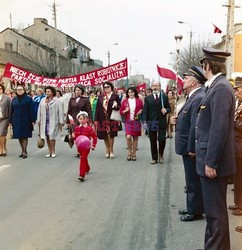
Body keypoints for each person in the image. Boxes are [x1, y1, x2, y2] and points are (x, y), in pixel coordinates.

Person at [196, 47, 236, 249]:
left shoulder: (220, 88)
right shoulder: (217, 86)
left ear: (208, 65)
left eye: (203, 65)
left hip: (213, 163)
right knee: (215, 215)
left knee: (215, 216)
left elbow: (218, 129)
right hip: (210, 160)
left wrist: (211, 162)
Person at [175, 66, 206, 222]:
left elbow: (196, 125)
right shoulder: (193, 96)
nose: (184, 80)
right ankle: (192, 207)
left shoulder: (198, 97)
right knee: (191, 179)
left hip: (190, 147)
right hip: (187, 145)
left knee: (193, 180)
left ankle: (194, 210)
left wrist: (192, 148)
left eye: (186, 78)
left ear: (194, 81)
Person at [143, 81, 170, 164]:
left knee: (162, 139)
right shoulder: (148, 98)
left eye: (156, 86)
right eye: (153, 86)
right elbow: (145, 111)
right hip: (152, 122)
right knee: (153, 140)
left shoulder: (164, 97)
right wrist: (144, 121)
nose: (155, 87)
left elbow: (169, 108)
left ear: (159, 87)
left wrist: (166, 110)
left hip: (161, 121)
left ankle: (161, 154)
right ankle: (154, 158)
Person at [95, 81, 120, 159]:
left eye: (108, 87)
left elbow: (119, 107)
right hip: (103, 118)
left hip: (112, 117)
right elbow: (98, 109)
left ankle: (111, 150)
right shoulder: (101, 97)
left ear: (111, 87)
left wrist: (116, 106)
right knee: (105, 135)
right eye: (105, 87)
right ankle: (107, 150)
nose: (106, 88)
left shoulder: (115, 96)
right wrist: (96, 119)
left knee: (111, 134)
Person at [37, 86, 64, 158]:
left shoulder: (57, 101)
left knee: (52, 136)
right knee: (47, 136)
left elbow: (60, 111)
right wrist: (38, 120)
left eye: (49, 92)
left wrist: (61, 121)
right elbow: (39, 110)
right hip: (44, 120)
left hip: (53, 120)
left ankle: (53, 150)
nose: (47, 93)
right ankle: (49, 150)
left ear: (52, 92)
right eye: (46, 92)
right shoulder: (43, 100)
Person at [10, 85, 35, 158]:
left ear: (24, 90)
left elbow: (32, 110)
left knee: (24, 135)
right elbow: (12, 110)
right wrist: (10, 121)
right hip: (16, 119)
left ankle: (24, 151)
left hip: (26, 119)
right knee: (19, 136)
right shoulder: (14, 99)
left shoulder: (28, 99)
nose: (19, 91)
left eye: (21, 89)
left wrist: (33, 120)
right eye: (18, 90)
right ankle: (23, 150)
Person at [230, 85, 242, 233]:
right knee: (238, 179)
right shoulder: (238, 104)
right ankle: (238, 204)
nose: (237, 92)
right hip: (237, 147)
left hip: (240, 146)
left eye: (239, 90)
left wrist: (233, 123)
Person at [72, 111, 97, 182]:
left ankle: (81, 175)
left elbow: (94, 138)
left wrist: (93, 145)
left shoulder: (89, 129)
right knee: (84, 158)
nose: (82, 120)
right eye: (80, 119)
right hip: (79, 147)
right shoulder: (76, 128)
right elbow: (76, 138)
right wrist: (73, 136)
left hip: (87, 147)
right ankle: (87, 168)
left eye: (83, 119)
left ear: (87, 119)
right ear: (78, 119)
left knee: (82, 158)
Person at [120, 87, 143, 161]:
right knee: (128, 136)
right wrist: (125, 111)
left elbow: (143, 108)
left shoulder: (139, 101)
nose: (131, 94)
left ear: (135, 93)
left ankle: (134, 154)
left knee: (135, 138)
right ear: (127, 93)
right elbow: (121, 112)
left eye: (132, 92)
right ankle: (129, 151)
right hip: (128, 121)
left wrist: (141, 111)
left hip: (136, 121)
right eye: (129, 92)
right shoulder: (125, 101)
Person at [0, 83, 11, 156]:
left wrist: (10, 121)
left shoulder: (7, 98)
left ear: (2, 89)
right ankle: (0, 148)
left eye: (0, 89)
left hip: (4, 118)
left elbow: (10, 109)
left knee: (2, 133)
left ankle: (4, 148)